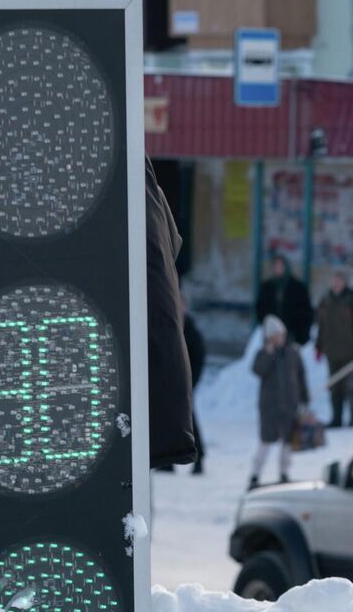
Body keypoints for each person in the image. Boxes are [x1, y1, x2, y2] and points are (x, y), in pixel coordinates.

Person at [145, 158, 200, 469]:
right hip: (169, 382)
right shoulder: (151, 193)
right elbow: (175, 241)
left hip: (152, 352)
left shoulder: (128, 188)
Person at [249, 315, 308, 489]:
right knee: (265, 441)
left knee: (287, 443)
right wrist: (268, 354)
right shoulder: (264, 353)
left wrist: (304, 399)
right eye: (274, 336)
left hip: (289, 405)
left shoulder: (293, 353)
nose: (278, 339)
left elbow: (301, 377)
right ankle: (255, 475)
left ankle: (284, 473)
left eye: (280, 335)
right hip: (270, 407)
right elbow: (258, 370)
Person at [313, 273, 353, 427]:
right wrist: (319, 347)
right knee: (335, 386)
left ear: (344, 283)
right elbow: (321, 326)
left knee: (350, 386)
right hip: (331, 351)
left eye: (339, 281)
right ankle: (337, 418)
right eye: (334, 281)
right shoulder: (325, 301)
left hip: (350, 351)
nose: (336, 284)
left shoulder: (352, 301)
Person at [253, 255, 314, 347]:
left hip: (291, 333)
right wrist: (268, 324)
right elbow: (260, 308)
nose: (278, 269)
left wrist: (299, 334)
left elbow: (305, 312)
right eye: (276, 266)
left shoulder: (298, 288)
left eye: (280, 266)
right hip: (272, 333)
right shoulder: (267, 287)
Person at [183, 312, 206, 475]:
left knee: (189, 422)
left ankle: (199, 458)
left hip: (186, 386)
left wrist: (190, 384)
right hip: (175, 384)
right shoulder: (177, 329)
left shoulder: (192, 334)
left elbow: (198, 360)